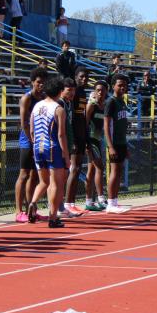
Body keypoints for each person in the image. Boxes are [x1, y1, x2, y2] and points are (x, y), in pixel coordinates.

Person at [29, 76, 69, 228]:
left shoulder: (37, 106)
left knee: (43, 181)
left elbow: (31, 130)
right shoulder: (58, 109)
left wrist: (35, 143)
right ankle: (53, 217)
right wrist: (66, 155)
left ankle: (33, 202)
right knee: (56, 183)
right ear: (60, 91)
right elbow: (61, 134)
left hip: (38, 146)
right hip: (52, 147)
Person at [14, 68, 46, 222]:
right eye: (38, 82)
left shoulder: (44, 98)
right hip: (27, 140)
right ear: (33, 82)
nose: (41, 85)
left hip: (40, 139)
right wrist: (32, 141)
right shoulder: (26, 98)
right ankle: (18, 211)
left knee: (34, 176)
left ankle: (31, 209)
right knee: (24, 174)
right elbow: (23, 123)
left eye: (43, 83)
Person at [103, 74, 131, 213]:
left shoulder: (122, 101)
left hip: (121, 142)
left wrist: (126, 145)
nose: (122, 87)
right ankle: (110, 203)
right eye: (120, 85)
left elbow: (122, 125)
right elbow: (106, 125)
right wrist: (110, 146)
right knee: (114, 172)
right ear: (113, 86)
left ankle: (114, 201)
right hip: (114, 142)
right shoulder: (111, 102)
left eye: (124, 85)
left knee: (119, 172)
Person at [64, 66, 90, 215]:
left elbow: (82, 116)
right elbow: (70, 118)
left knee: (78, 168)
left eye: (86, 77)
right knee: (74, 169)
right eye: (81, 77)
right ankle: (67, 203)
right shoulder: (73, 94)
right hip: (73, 135)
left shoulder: (83, 93)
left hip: (81, 135)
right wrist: (72, 139)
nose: (84, 79)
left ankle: (72, 203)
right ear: (75, 77)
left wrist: (85, 136)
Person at [84, 80, 108, 211]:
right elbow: (84, 124)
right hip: (91, 140)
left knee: (92, 170)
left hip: (98, 140)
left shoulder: (104, 106)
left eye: (102, 90)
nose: (100, 93)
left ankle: (88, 201)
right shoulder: (91, 105)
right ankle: (101, 199)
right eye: (98, 90)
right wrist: (86, 142)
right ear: (94, 91)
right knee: (100, 168)